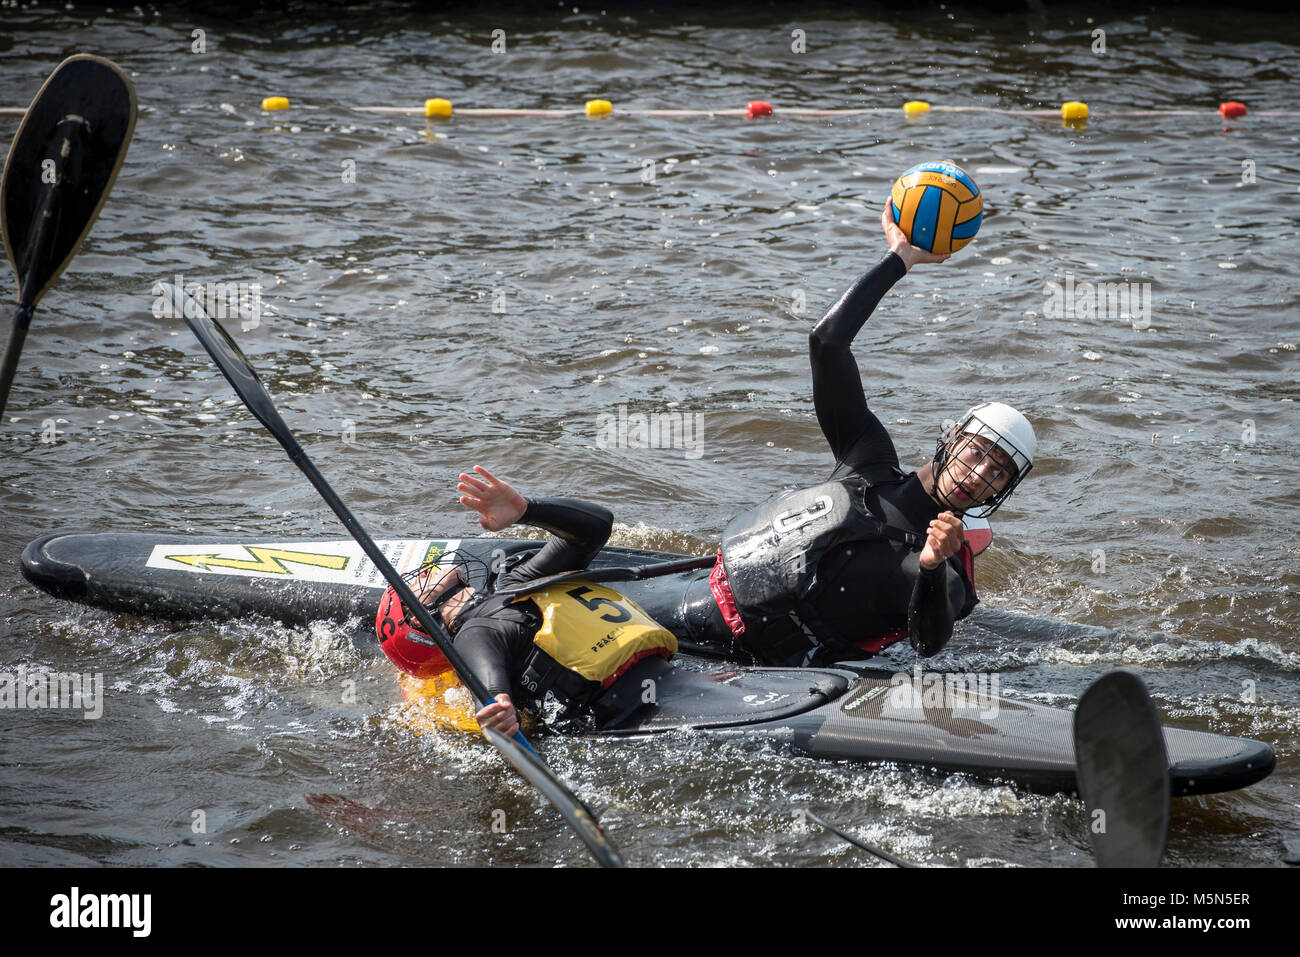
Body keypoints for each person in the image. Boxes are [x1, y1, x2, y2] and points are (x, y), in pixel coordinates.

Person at [661, 201, 1037, 667]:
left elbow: (928, 642)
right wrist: (900, 260)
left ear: (1002, 491)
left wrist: (933, 566)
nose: (979, 473)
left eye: (998, 472)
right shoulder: (868, 458)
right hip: (697, 598)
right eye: (977, 452)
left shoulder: (954, 572)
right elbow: (828, 343)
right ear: (952, 438)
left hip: (740, 664)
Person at [375, 466, 677, 736]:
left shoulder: (515, 583)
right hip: (633, 710)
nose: (417, 576)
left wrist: (524, 510)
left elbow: (595, 527)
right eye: (409, 588)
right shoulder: (471, 634)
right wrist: (499, 709)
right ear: (416, 620)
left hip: (667, 679)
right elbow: (491, 696)